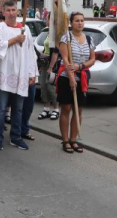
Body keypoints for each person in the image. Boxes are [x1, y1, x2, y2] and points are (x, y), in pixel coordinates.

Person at [0, 1, 37, 151]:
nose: (11, 13)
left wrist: (32, 73)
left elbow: (30, 52)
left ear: (17, 11)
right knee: (1, 109)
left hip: (21, 73)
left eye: (13, 10)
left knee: (18, 109)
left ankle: (16, 137)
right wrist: (15, 40)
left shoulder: (25, 29)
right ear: (3, 12)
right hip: (4, 72)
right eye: (8, 10)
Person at [57, 12, 95, 154]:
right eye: (77, 20)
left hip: (82, 76)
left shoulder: (89, 39)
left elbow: (92, 59)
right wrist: (72, 78)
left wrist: (80, 66)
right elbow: (65, 59)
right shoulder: (66, 38)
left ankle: (73, 139)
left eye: (82, 20)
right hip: (67, 77)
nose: (80, 23)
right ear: (71, 23)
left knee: (78, 110)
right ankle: (65, 140)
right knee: (66, 108)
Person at [37, 34, 60, 120]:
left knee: (51, 86)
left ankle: (56, 109)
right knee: (43, 85)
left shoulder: (57, 35)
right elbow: (46, 49)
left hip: (52, 65)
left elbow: (55, 52)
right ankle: (46, 108)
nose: (48, 21)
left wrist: (51, 67)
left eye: (49, 20)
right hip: (44, 63)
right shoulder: (48, 33)